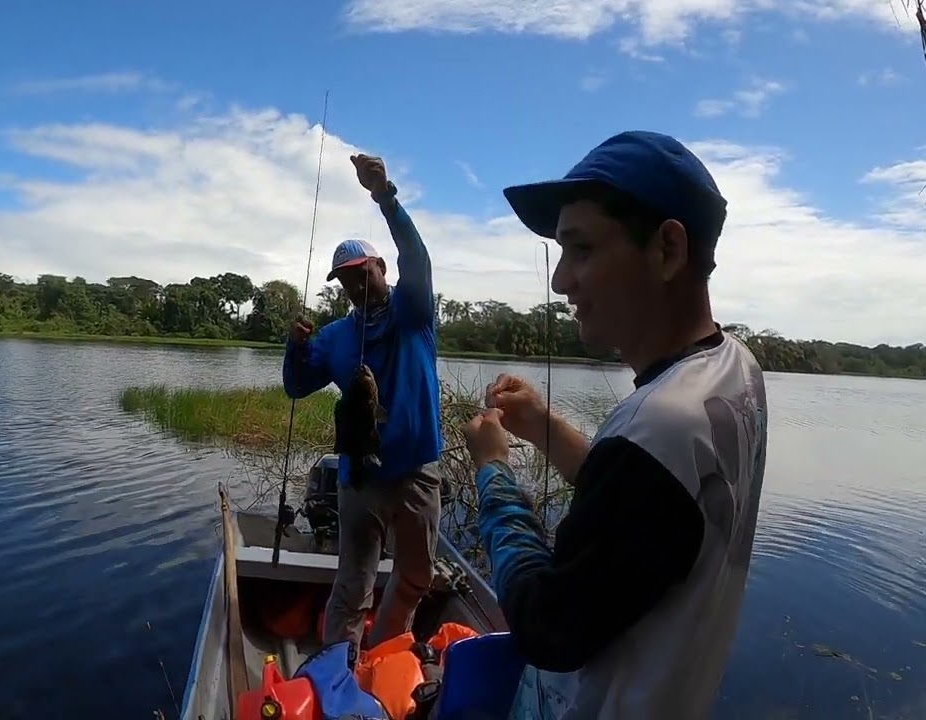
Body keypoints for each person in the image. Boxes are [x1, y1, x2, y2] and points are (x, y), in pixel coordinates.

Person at [460, 130, 769, 719]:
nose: (560, 282)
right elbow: (645, 504)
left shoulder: (661, 424)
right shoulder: (734, 369)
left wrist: (493, 470)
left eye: (581, 250)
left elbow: (545, 627)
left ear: (667, 250)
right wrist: (544, 428)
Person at [284, 153, 443, 652]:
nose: (354, 284)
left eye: (361, 272)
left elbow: (417, 261)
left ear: (379, 267)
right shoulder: (334, 338)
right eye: (344, 278)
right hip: (361, 479)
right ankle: (337, 674)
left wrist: (385, 196)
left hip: (418, 470)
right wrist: (295, 347)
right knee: (353, 586)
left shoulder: (413, 313)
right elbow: (295, 386)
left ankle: (385, 651)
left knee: (417, 575)